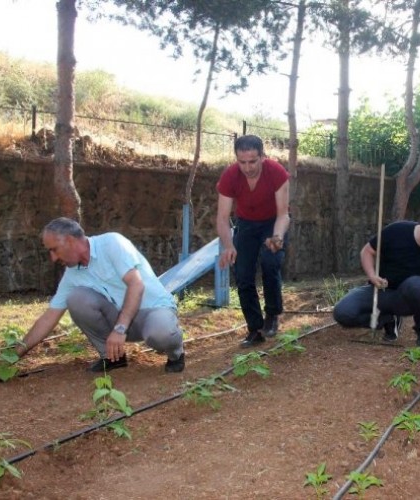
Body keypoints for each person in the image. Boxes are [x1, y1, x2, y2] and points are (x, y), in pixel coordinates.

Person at [15, 217, 185, 373]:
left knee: (161, 334)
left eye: (54, 250)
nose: (52, 258)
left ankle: (176, 355)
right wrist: (12, 356)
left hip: (153, 311)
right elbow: (48, 318)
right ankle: (112, 357)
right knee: (76, 298)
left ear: (69, 240)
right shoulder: (72, 274)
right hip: (121, 321)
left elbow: (136, 284)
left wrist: (119, 329)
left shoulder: (112, 243)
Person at [333, 217, 420, 347]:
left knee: (417, 284)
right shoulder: (397, 231)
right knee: (342, 312)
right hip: (379, 291)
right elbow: (367, 251)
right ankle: (387, 319)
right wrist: (372, 275)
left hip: (406, 301)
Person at [216, 134, 290, 348]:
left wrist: (277, 238)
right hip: (246, 224)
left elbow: (283, 214)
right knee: (243, 273)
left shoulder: (276, 172)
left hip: (272, 223)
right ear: (236, 159)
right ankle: (254, 329)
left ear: (262, 157)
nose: (247, 167)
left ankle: (273, 314)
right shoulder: (230, 176)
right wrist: (229, 246)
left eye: (252, 161)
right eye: (242, 162)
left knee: (270, 262)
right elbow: (222, 217)